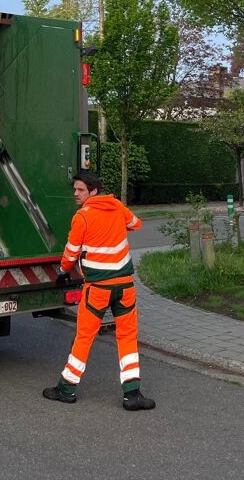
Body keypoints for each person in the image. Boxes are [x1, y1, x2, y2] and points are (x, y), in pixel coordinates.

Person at [43, 171, 154, 411]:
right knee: (127, 336)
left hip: (98, 289)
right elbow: (136, 224)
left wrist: (62, 270)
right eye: (75, 189)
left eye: (80, 190)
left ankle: (67, 389)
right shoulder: (117, 206)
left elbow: (71, 251)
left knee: (84, 336)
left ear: (93, 191)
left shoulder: (82, 217)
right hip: (125, 286)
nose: (75, 193)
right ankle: (132, 395)